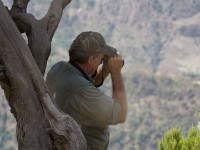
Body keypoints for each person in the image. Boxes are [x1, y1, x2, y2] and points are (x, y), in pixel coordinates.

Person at [46, 31, 127, 150]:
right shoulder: (82, 91)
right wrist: (116, 72)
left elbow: (86, 81)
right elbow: (121, 115)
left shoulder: (59, 69)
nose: (101, 61)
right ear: (90, 60)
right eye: (100, 58)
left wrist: (104, 70)